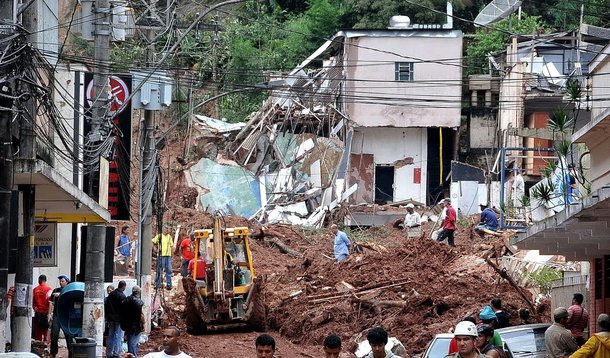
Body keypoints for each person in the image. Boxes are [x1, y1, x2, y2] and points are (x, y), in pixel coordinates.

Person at [49, 275, 73, 358]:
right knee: (54, 335)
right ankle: (53, 353)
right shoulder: (55, 290)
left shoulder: (69, 290)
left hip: (66, 316)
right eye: (60, 281)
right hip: (56, 315)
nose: (61, 282)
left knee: (68, 335)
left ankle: (71, 352)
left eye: (62, 281)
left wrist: (61, 294)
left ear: (67, 282)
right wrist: (49, 314)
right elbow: (51, 302)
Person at [121, 285, 144, 357]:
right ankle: (133, 356)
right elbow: (141, 315)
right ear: (139, 292)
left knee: (130, 342)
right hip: (136, 325)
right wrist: (143, 324)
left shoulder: (126, 300)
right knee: (134, 343)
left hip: (127, 324)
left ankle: (131, 355)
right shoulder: (139, 302)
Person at [105, 280, 126, 358]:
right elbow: (124, 309)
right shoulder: (122, 296)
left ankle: (108, 353)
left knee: (110, 335)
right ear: (123, 287)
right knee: (118, 336)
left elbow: (107, 306)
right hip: (118, 320)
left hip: (110, 319)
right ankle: (116, 353)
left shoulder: (111, 295)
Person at [32, 274, 52, 341]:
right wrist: (49, 313)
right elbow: (50, 302)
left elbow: (33, 302)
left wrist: (35, 308)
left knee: (38, 331)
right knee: (45, 331)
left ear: (39, 280)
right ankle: (45, 347)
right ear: (45, 280)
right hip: (45, 312)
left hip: (37, 312)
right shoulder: (49, 289)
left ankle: (38, 347)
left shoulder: (35, 289)